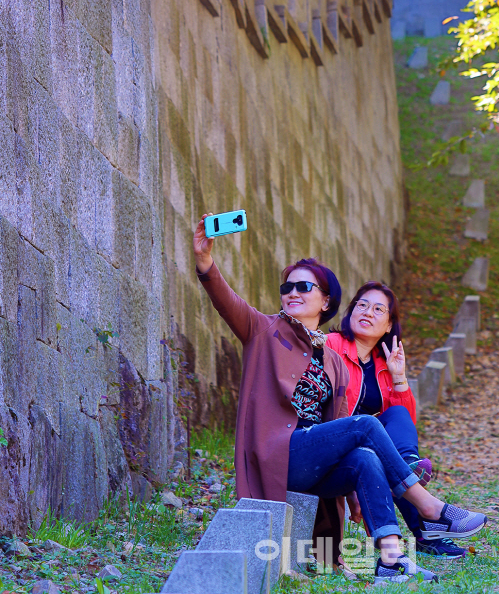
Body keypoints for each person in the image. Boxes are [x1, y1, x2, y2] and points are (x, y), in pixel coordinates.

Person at [192, 216, 482, 583]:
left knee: (364, 456)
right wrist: (205, 262)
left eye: (303, 286)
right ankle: (428, 507)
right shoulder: (263, 330)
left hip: (312, 461)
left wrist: (361, 487)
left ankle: (391, 561)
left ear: (326, 300)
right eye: (287, 286)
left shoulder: (331, 358)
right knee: (366, 424)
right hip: (278, 453)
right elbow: (225, 300)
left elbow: (338, 428)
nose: (292, 292)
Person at [326, 282, 487, 559]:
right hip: (334, 440)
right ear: (350, 312)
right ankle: (427, 525)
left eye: (378, 309)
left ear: (389, 325)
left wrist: (399, 377)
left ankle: (412, 481)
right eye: (361, 305)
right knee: (393, 462)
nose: (368, 312)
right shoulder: (330, 346)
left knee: (398, 425)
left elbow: (404, 424)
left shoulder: (384, 364)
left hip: (366, 444)